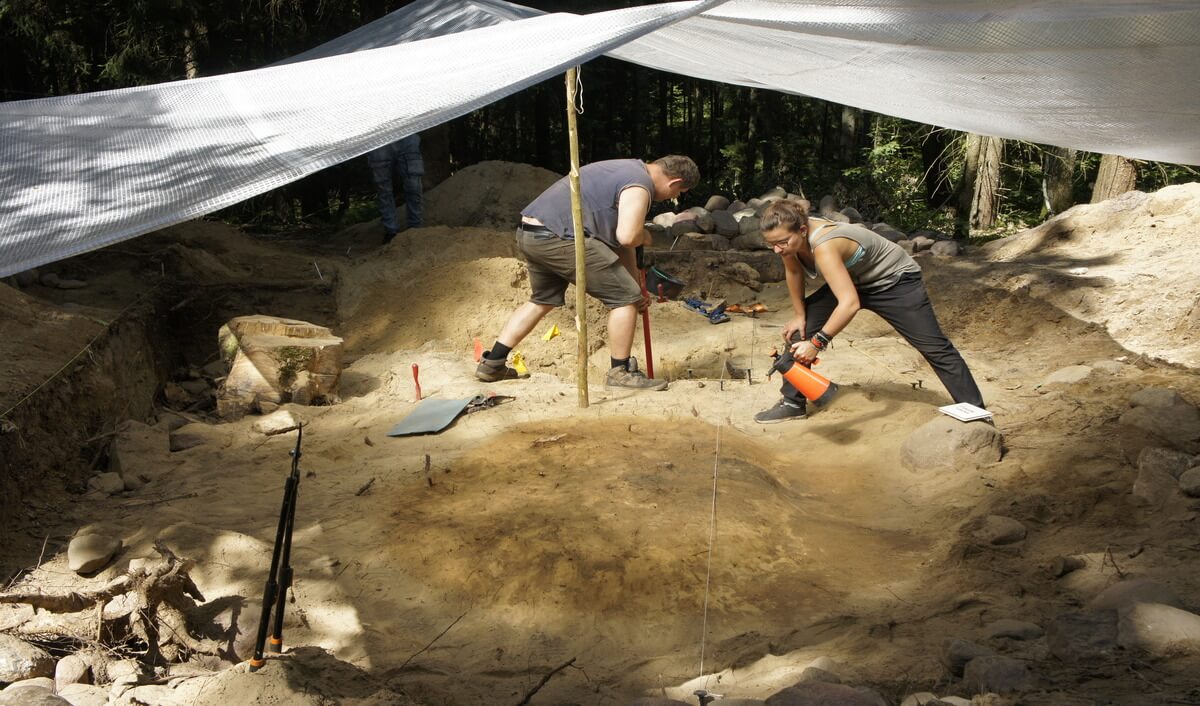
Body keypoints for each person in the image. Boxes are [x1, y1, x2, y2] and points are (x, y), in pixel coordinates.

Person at [475, 155, 700, 390]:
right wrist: (644, 236)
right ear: (675, 182)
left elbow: (621, 245)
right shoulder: (639, 184)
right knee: (625, 301)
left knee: (542, 299)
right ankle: (620, 373)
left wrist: (634, 286)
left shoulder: (623, 170)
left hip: (532, 232)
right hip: (560, 237)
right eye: (678, 192)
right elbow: (628, 237)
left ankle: (493, 363)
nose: (673, 197)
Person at [755, 198, 985, 423]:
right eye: (770, 244)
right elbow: (794, 272)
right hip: (855, 280)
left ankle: (975, 412)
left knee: (935, 347)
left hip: (895, 282)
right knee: (799, 332)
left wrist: (816, 343)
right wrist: (799, 315)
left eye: (782, 243)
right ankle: (792, 403)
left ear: (803, 230)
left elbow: (849, 304)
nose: (776, 249)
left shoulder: (825, 245)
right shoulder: (788, 242)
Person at [367, 133, 423, 242]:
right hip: (377, 136)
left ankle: (415, 229)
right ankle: (391, 232)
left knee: (413, 185)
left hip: (407, 132)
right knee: (383, 188)